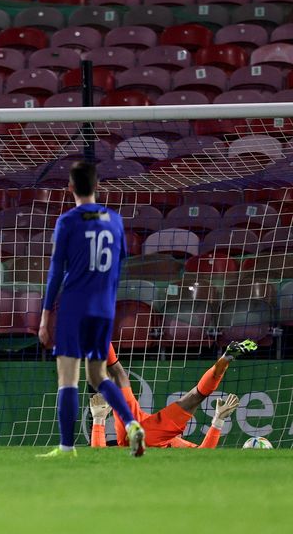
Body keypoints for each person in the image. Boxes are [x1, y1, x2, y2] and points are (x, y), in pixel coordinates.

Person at [37, 161, 145, 458]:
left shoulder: (68, 221)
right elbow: (119, 261)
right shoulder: (115, 220)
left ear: (70, 188)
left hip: (75, 305)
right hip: (104, 307)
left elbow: (56, 272)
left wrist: (46, 315)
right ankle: (133, 423)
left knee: (68, 377)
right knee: (99, 376)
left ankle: (66, 446)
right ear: (98, 186)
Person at [90, 340, 256, 449]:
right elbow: (204, 455)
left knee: (117, 372)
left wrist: (98, 419)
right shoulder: (176, 442)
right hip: (148, 436)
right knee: (196, 396)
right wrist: (218, 420)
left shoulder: (157, 426)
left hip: (134, 427)